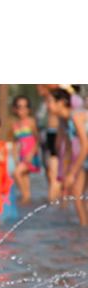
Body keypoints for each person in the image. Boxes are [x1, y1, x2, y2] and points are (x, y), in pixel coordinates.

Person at [49, 87, 88, 226]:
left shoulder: (76, 116)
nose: (48, 105)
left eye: (50, 102)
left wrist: (72, 173)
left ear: (61, 102)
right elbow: (69, 148)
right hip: (85, 159)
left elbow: (85, 145)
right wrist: (66, 172)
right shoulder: (64, 120)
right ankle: (84, 229)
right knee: (77, 195)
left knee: (78, 194)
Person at [11, 95, 41, 205]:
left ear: (29, 109)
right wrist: (15, 157)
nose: (23, 110)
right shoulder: (15, 125)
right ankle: (27, 199)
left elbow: (38, 139)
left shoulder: (31, 122)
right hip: (22, 156)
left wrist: (32, 153)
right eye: (19, 107)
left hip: (31, 156)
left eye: (25, 107)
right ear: (15, 109)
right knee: (24, 177)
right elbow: (15, 143)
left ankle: (24, 197)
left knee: (16, 173)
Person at [36, 85, 61, 202]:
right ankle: (56, 201)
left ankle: (54, 201)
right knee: (49, 171)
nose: (38, 87)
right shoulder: (44, 101)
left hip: (55, 135)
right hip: (47, 137)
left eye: (40, 85)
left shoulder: (55, 97)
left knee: (54, 173)